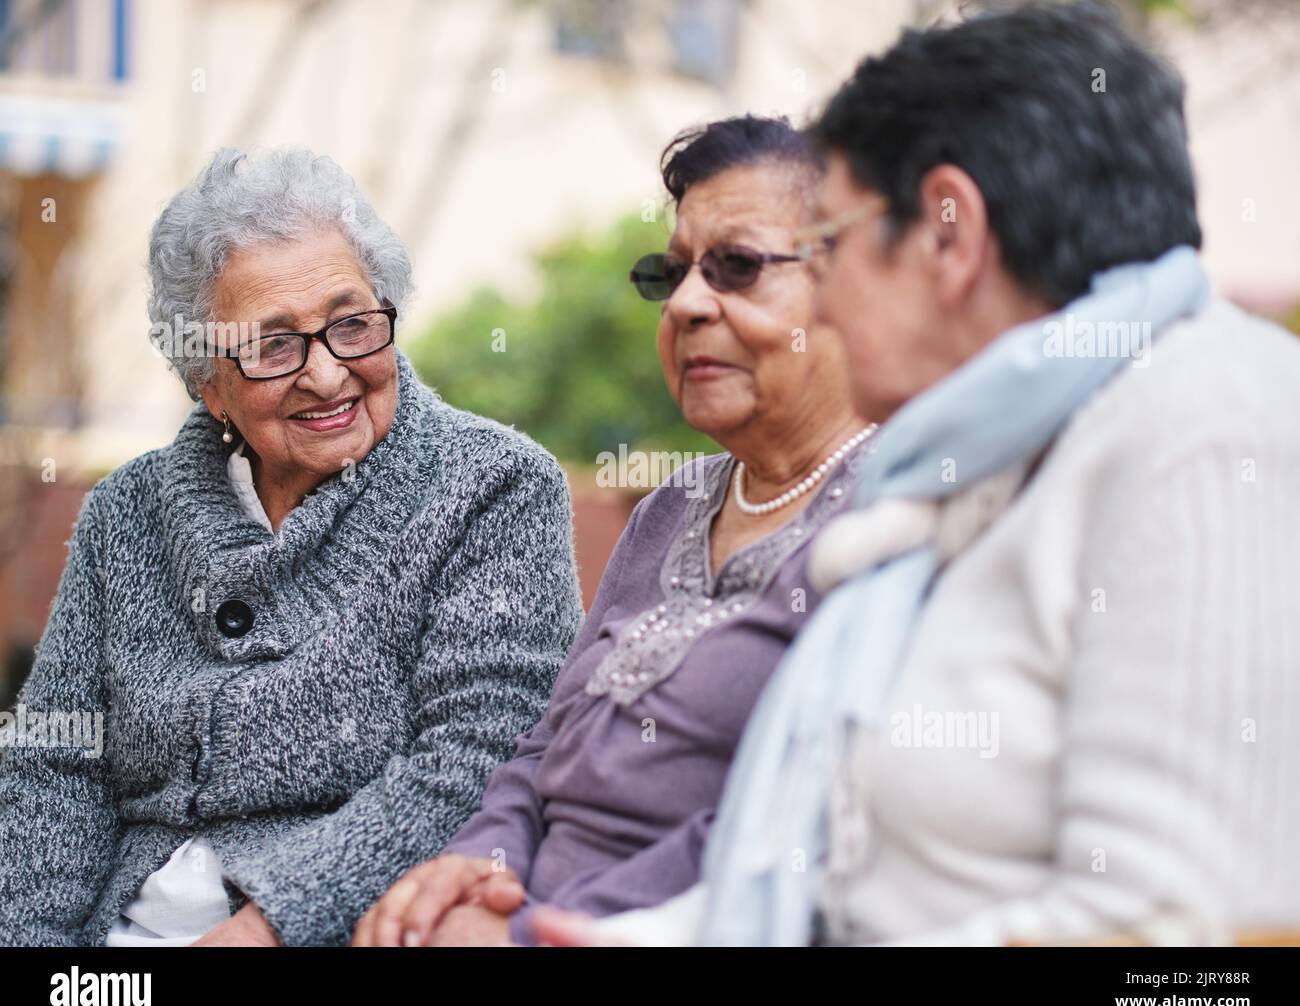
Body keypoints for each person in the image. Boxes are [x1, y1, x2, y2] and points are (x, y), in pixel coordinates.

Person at [534, 1, 1300, 948]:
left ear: (948, 234)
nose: (827, 294)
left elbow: (1199, 955)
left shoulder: (1207, 427)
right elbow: (845, 870)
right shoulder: (978, 465)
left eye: (833, 247)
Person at [0, 147, 584, 947]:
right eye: (273, 346)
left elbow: (476, 759)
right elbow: (57, 764)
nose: (326, 374)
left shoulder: (494, 487)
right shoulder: (125, 514)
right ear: (209, 383)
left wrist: (268, 926)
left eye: (351, 325)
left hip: (341, 928)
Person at [352, 116, 877, 947]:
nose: (690, 303)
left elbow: (802, 818)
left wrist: (532, 928)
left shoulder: (891, 524)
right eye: (672, 274)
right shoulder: (676, 504)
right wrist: (477, 872)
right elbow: (543, 747)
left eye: (737, 267)